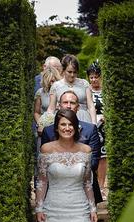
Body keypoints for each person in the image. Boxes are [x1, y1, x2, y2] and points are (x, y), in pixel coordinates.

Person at [41, 90, 103, 203]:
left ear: (78, 107)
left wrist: (71, 171)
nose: (68, 106)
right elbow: (43, 166)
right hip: (55, 191)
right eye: (65, 102)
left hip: (82, 189)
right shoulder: (48, 131)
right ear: (59, 105)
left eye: (72, 103)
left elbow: (93, 162)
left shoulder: (90, 129)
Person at [47, 54, 97, 124]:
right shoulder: (56, 86)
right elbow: (51, 108)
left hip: (83, 119)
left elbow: (91, 106)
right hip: (63, 119)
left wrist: (94, 123)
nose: (72, 75)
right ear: (63, 70)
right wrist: (47, 123)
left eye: (75, 72)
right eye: (69, 72)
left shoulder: (84, 84)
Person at [86, 61, 108, 200]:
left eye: (96, 77)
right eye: (91, 77)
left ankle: (101, 186)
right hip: (91, 124)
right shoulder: (86, 89)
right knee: (92, 154)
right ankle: (92, 186)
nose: (94, 79)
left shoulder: (106, 91)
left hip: (104, 125)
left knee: (103, 156)